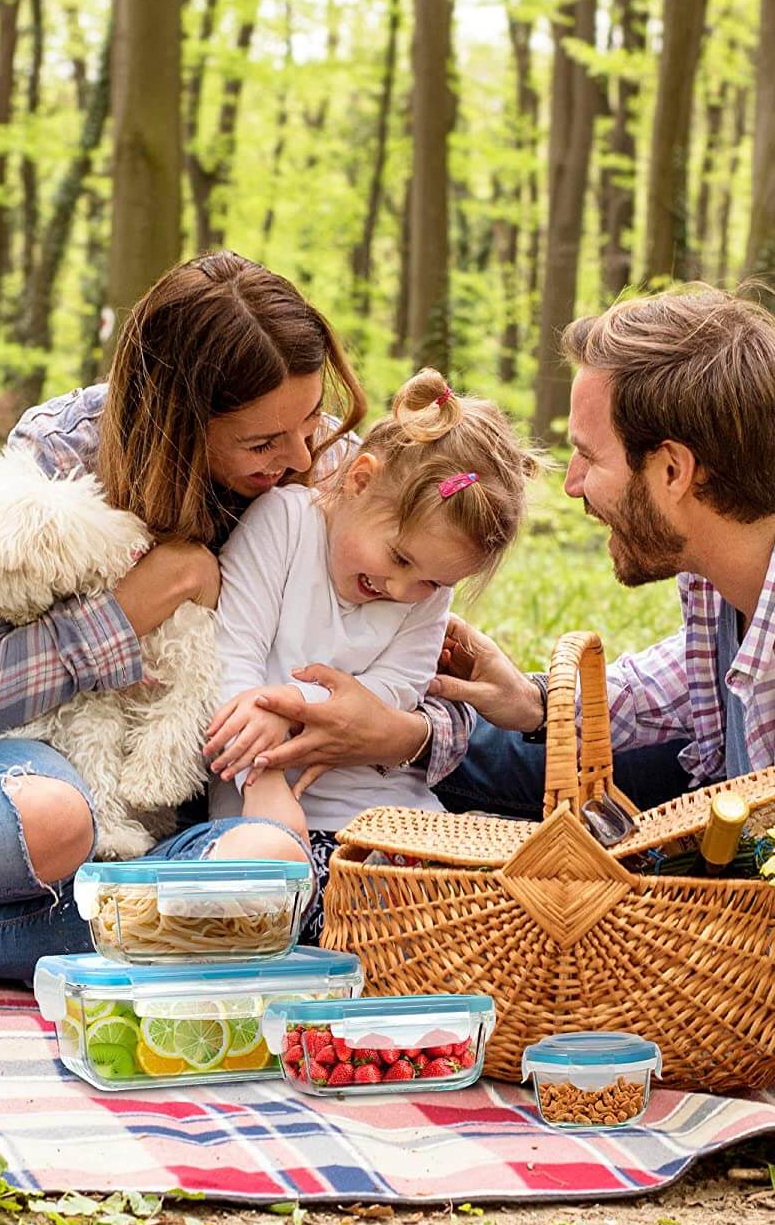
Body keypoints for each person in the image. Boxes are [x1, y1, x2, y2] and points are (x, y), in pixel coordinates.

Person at [275, 286, 775, 1067]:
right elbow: (719, 674)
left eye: (588, 457)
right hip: (746, 796)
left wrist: (635, 1007)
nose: (568, 484)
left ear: (673, 471)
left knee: (528, 850)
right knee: (498, 772)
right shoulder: (766, 491)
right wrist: (539, 703)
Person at [0, 253, 471, 981]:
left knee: (266, 871)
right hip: (28, 766)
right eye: (263, 441)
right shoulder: (66, 445)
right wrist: (153, 592)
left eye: (310, 419)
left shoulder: (342, 473)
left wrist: (400, 732)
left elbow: (439, 660)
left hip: (178, 822)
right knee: (59, 818)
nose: (303, 453)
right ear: (181, 417)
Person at [201, 368, 538, 932]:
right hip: (281, 812)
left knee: (500, 903)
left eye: (433, 583)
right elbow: (227, 660)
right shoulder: (285, 526)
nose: (405, 592)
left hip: (398, 821)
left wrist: (288, 699)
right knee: (297, 896)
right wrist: (261, 782)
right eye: (401, 559)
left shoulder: (424, 594)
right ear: (360, 480)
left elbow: (397, 692)